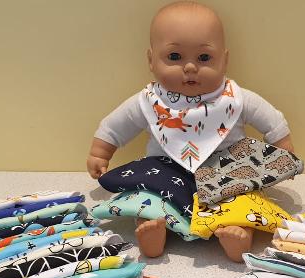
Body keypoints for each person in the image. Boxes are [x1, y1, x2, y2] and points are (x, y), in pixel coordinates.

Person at [87, 1, 294, 261]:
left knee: (245, 198)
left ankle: (239, 234)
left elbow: (272, 120)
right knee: (147, 197)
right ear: (151, 60)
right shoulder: (150, 101)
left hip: (228, 171)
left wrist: (283, 149)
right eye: (175, 57)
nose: (190, 67)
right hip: (165, 171)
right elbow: (115, 126)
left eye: (204, 58)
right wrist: (100, 152)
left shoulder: (235, 98)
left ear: (224, 60)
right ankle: (152, 229)